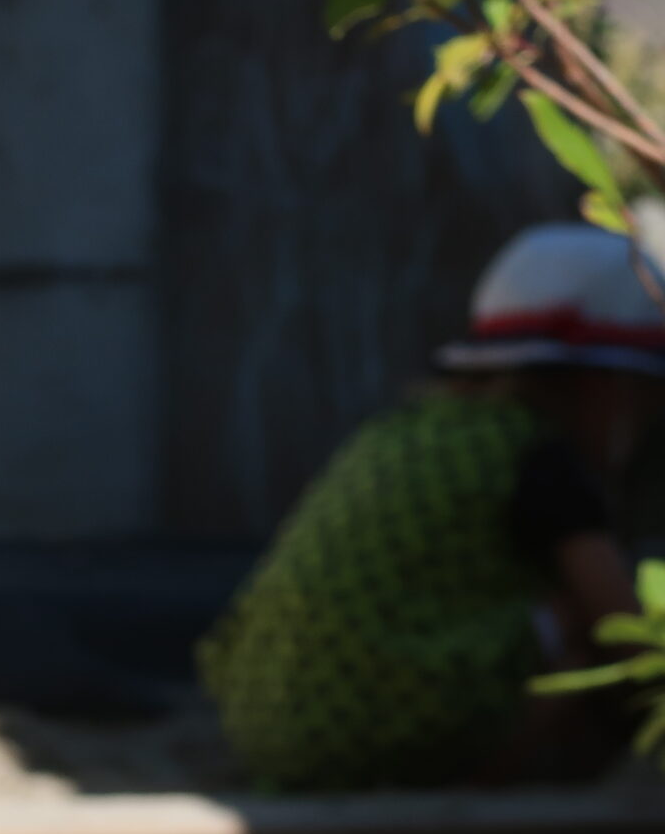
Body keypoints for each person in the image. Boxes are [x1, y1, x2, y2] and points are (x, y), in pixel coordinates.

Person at [199, 220, 665, 790]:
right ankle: (484, 799)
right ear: (601, 384)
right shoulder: (538, 459)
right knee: (585, 632)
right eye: (647, 395)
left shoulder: (407, 432)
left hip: (271, 733)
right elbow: (625, 631)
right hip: (381, 738)